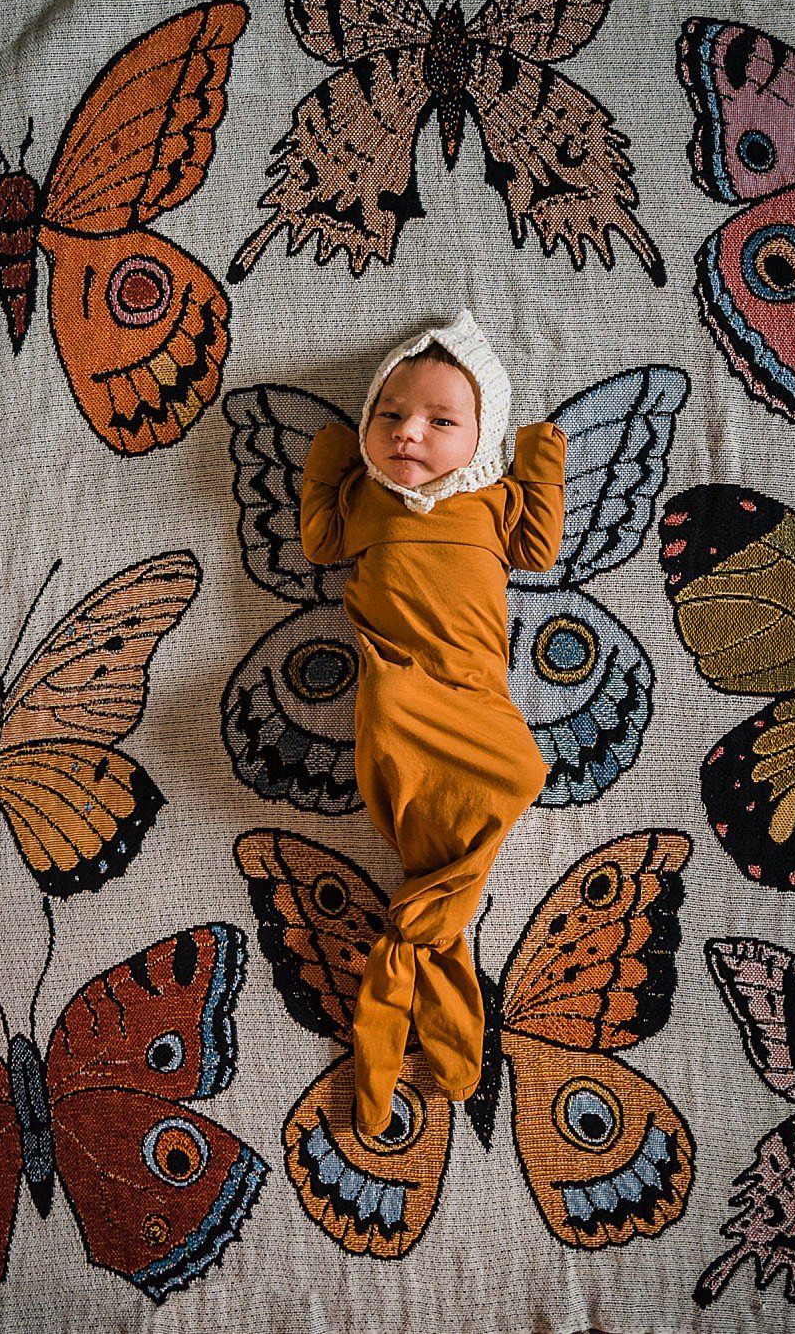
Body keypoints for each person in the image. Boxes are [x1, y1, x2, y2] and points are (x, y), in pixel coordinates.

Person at [300, 309, 567, 1136]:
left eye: (440, 421)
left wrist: (542, 458)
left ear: (481, 436)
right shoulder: (366, 498)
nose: (408, 433)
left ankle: (413, 957)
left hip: (478, 695)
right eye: (388, 415)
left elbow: (541, 547)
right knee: (394, 710)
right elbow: (317, 540)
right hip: (402, 693)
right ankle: (435, 995)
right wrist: (329, 460)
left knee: (519, 767)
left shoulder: (492, 497)